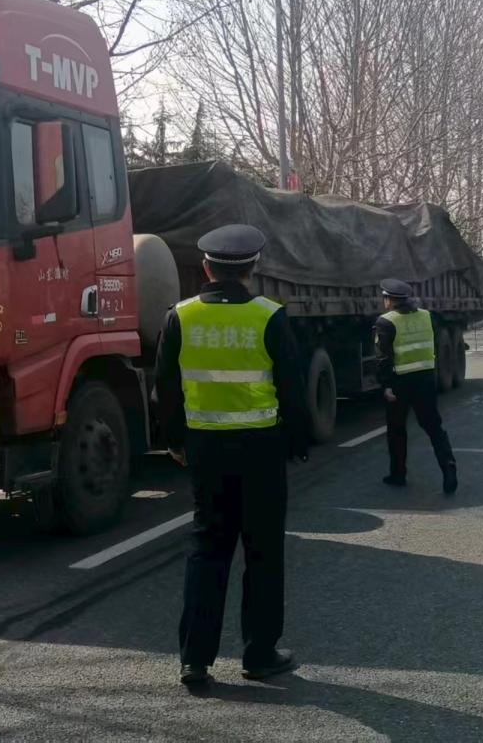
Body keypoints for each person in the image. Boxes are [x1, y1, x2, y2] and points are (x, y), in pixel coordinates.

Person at [154, 223, 309, 687]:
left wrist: (175, 441)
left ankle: (194, 660)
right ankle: (259, 655)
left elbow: (165, 388)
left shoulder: (180, 316)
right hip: (261, 449)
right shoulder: (269, 316)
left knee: (207, 548)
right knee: (263, 551)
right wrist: (297, 442)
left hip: (205, 450)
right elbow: (292, 386)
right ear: (252, 269)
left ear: (206, 268)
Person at [373, 279, 458, 494]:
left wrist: (386, 386)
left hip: (400, 383)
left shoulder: (386, 322)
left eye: (384, 298)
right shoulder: (427, 316)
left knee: (397, 430)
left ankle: (398, 474)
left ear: (389, 300)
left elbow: (383, 358)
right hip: (426, 380)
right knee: (434, 427)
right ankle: (449, 468)